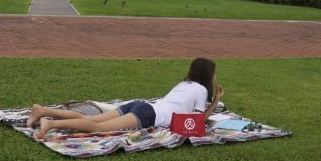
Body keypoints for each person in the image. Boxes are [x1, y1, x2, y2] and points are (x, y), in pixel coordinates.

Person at [28, 57, 224, 138]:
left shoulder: (185, 83)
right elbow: (198, 121)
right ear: (207, 75)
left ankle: (43, 110)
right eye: (214, 73)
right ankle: (50, 123)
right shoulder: (201, 90)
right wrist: (215, 101)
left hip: (141, 105)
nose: (215, 77)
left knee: (91, 120)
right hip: (148, 115)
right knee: (97, 128)